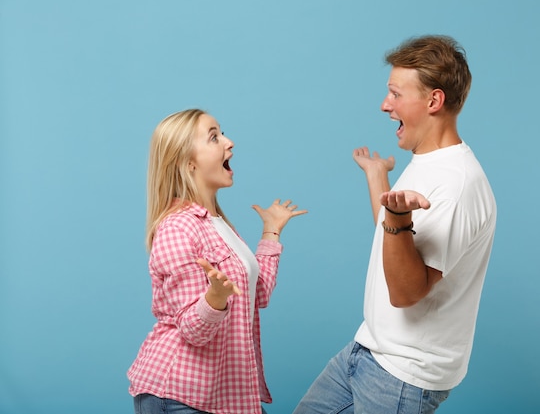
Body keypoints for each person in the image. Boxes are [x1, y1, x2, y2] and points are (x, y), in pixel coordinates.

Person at [293, 35, 497, 414]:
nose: (385, 105)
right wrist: (378, 179)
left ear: (434, 101)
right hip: (369, 349)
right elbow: (394, 244)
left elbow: (407, 291)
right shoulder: (428, 162)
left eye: (396, 94)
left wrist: (399, 219)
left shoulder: (456, 183)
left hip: (404, 374)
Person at [127, 108, 307, 414]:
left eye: (222, 133)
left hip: (221, 394)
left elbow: (256, 294)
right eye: (214, 137)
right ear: (188, 163)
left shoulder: (216, 224)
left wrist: (271, 231)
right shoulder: (178, 228)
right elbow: (192, 330)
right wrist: (215, 298)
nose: (229, 142)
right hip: (179, 394)